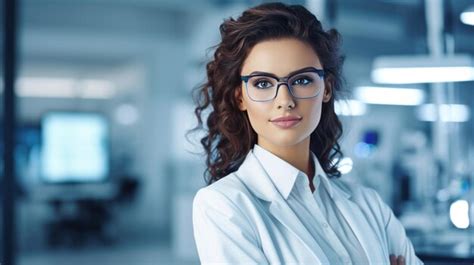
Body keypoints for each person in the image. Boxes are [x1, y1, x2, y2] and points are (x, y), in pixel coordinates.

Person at [190, 2, 423, 264]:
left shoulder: (367, 203)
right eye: (263, 83)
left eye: (302, 80)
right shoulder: (224, 205)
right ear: (240, 97)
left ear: (325, 89)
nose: (285, 100)